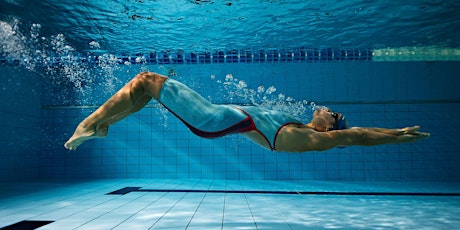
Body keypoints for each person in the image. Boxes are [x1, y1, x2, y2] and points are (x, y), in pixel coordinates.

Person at [64, 72, 429, 152]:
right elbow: (246, 129)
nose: (325, 108)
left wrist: (398, 133)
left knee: (145, 81)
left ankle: (88, 123)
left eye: (331, 112)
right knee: (144, 93)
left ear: (332, 126)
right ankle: (103, 125)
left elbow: (360, 134)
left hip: (210, 117)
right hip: (213, 119)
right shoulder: (291, 128)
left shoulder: (305, 137)